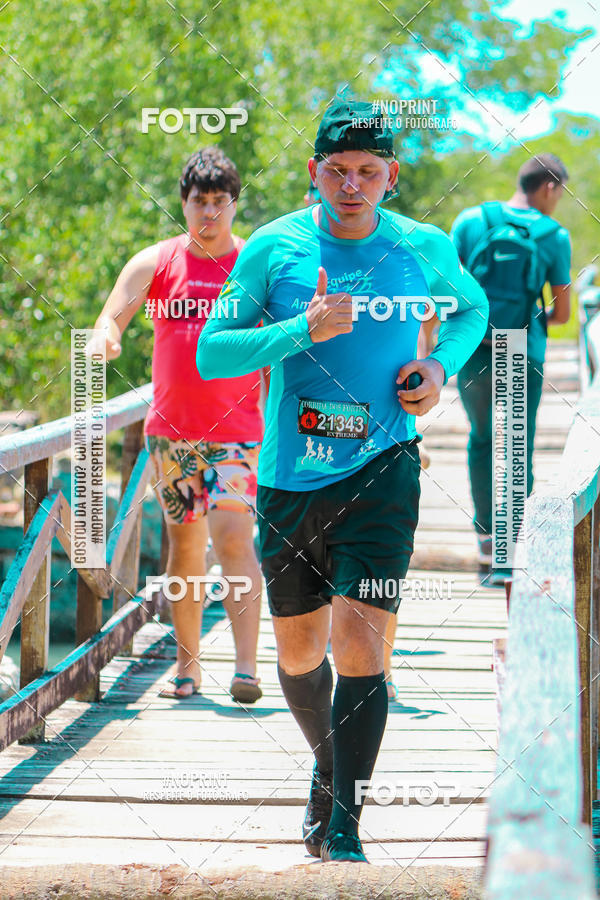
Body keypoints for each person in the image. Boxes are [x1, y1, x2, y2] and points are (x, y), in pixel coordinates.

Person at [197, 98, 488, 862]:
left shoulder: (424, 246)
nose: (351, 185)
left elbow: (472, 310)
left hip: (384, 470)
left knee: (364, 649)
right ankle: (329, 766)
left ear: (392, 177)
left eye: (368, 172)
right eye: (338, 171)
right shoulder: (273, 247)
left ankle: (346, 828)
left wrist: (436, 366)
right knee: (298, 656)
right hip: (292, 480)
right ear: (313, 174)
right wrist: (301, 329)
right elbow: (212, 355)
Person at [90, 147, 264, 703]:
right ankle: (187, 669)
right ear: (183, 205)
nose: (208, 213)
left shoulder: (256, 262)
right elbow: (111, 313)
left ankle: (246, 669)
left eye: (219, 202)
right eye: (198, 202)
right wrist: (105, 337)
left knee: (235, 540)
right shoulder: (157, 262)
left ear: (235, 205)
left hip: (238, 432)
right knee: (185, 549)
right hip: (173, 434)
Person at [451, 154, 571, 585]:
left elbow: (447, 291)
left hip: (474, 349)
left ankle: (485, 538)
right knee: (517, 446)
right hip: (522, 348)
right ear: (550, 188)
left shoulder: (470, 221)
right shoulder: (553, 235)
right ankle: (511, 549)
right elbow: (561, 313)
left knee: (482, 438)